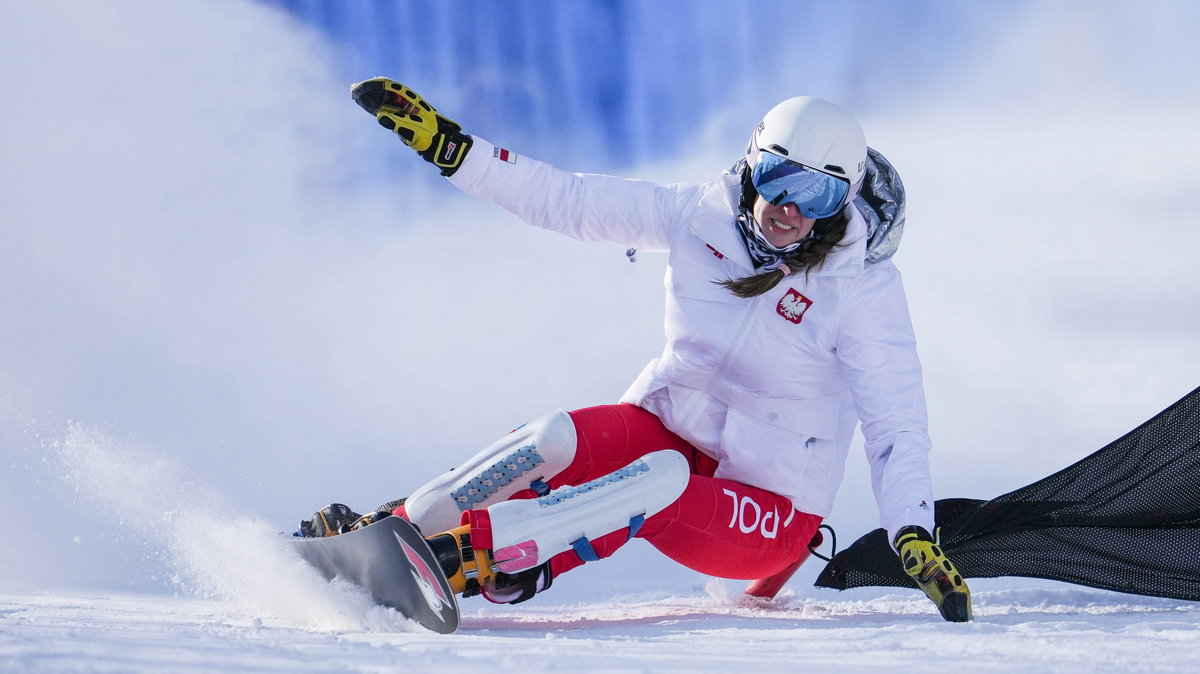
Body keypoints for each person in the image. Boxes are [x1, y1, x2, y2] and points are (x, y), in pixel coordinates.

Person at [298, 78, 972, 622]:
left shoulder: (863, 291)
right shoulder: (696, 216)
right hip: (670, 431)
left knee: (661, 484)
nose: (786, 208)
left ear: (843, 199)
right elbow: (567, 200)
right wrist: (454, 150)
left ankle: (470, 560)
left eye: (815, 193)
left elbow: (895, 426)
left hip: (772, 511)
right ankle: (389, 529)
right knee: (553, 438)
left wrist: (911, 529)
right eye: (775, 178)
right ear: (749, 166)